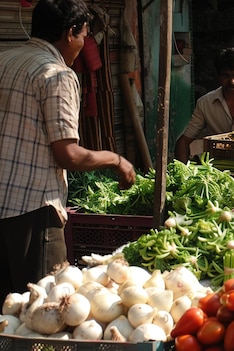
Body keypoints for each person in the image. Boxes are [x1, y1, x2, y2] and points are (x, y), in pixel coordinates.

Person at [0, 0, 136, 299]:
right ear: (71, 32)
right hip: (31, 209)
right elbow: (68, 155)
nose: (84, 43)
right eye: (85, 35)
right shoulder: (56, 74)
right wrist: (117, 160)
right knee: (42, 309)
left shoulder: (4, 60)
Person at [175, 47, 234, 162]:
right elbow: (184, 141)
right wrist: (182, 171)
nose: (232, 82)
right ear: (219, 76)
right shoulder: (205, 104)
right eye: (226, 76)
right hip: (216, 169)